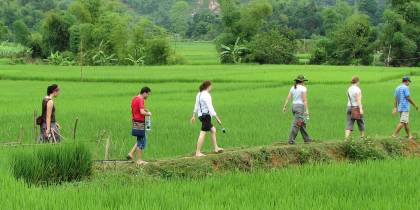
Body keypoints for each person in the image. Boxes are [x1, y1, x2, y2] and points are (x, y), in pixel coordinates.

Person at [191, 80, 223, 157]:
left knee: (213, 130)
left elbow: (196, 105)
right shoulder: (206, 95)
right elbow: (210, 107)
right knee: (203, 133)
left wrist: (193, 115)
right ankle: (198, 152)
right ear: (208, 86)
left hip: (201, 116)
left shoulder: (199, 94)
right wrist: (217, 117)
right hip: (206, 116)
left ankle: (216, 148)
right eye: (211, 86)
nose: (212, 88)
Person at [283, 75, 312, 144]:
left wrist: (285, 106)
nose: (304, 82)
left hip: (294, 107)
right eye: (304, 81)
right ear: (302, 81)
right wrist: (307, 110)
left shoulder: (293, 87)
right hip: (300, 107)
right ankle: (291, 140)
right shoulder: (303, 88)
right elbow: (304, 100)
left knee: (301, 123)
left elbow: (288, 98)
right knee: (297, 124)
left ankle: (307, 139)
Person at [127, 87, 152, 165]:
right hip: (140, 122)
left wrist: (145, 109)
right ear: (144, 93)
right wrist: (148, 113)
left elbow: (136, 109)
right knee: (141, 141)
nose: (148, 96)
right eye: (148, 94)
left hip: (135, 121)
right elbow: (141, 112)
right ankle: (139, 160)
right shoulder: (141, 99)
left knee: (140, 139)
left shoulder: (135, 98)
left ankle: (131, 154)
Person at [392, 76, 419, 141]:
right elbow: (408, 98)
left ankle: (410, 136)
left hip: (400, 107)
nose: (409, 83)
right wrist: (415, 105)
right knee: (403, 121)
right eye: (409, 82)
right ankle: (394, 135)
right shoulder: (406, 87)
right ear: (406, 81)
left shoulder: (397, 88)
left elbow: (395, 99)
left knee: (406, 122)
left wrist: (395, 107)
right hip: (405, 107)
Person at [345, 76, 365, 140]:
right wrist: (361, 109)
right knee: (361, 122)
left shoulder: (349, 89)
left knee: (349, 123)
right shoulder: (357, 89)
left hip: (349, 107)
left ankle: (346, 139)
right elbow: (358, 100)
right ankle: (362, 137)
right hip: (356, 108)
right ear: (357, 81)